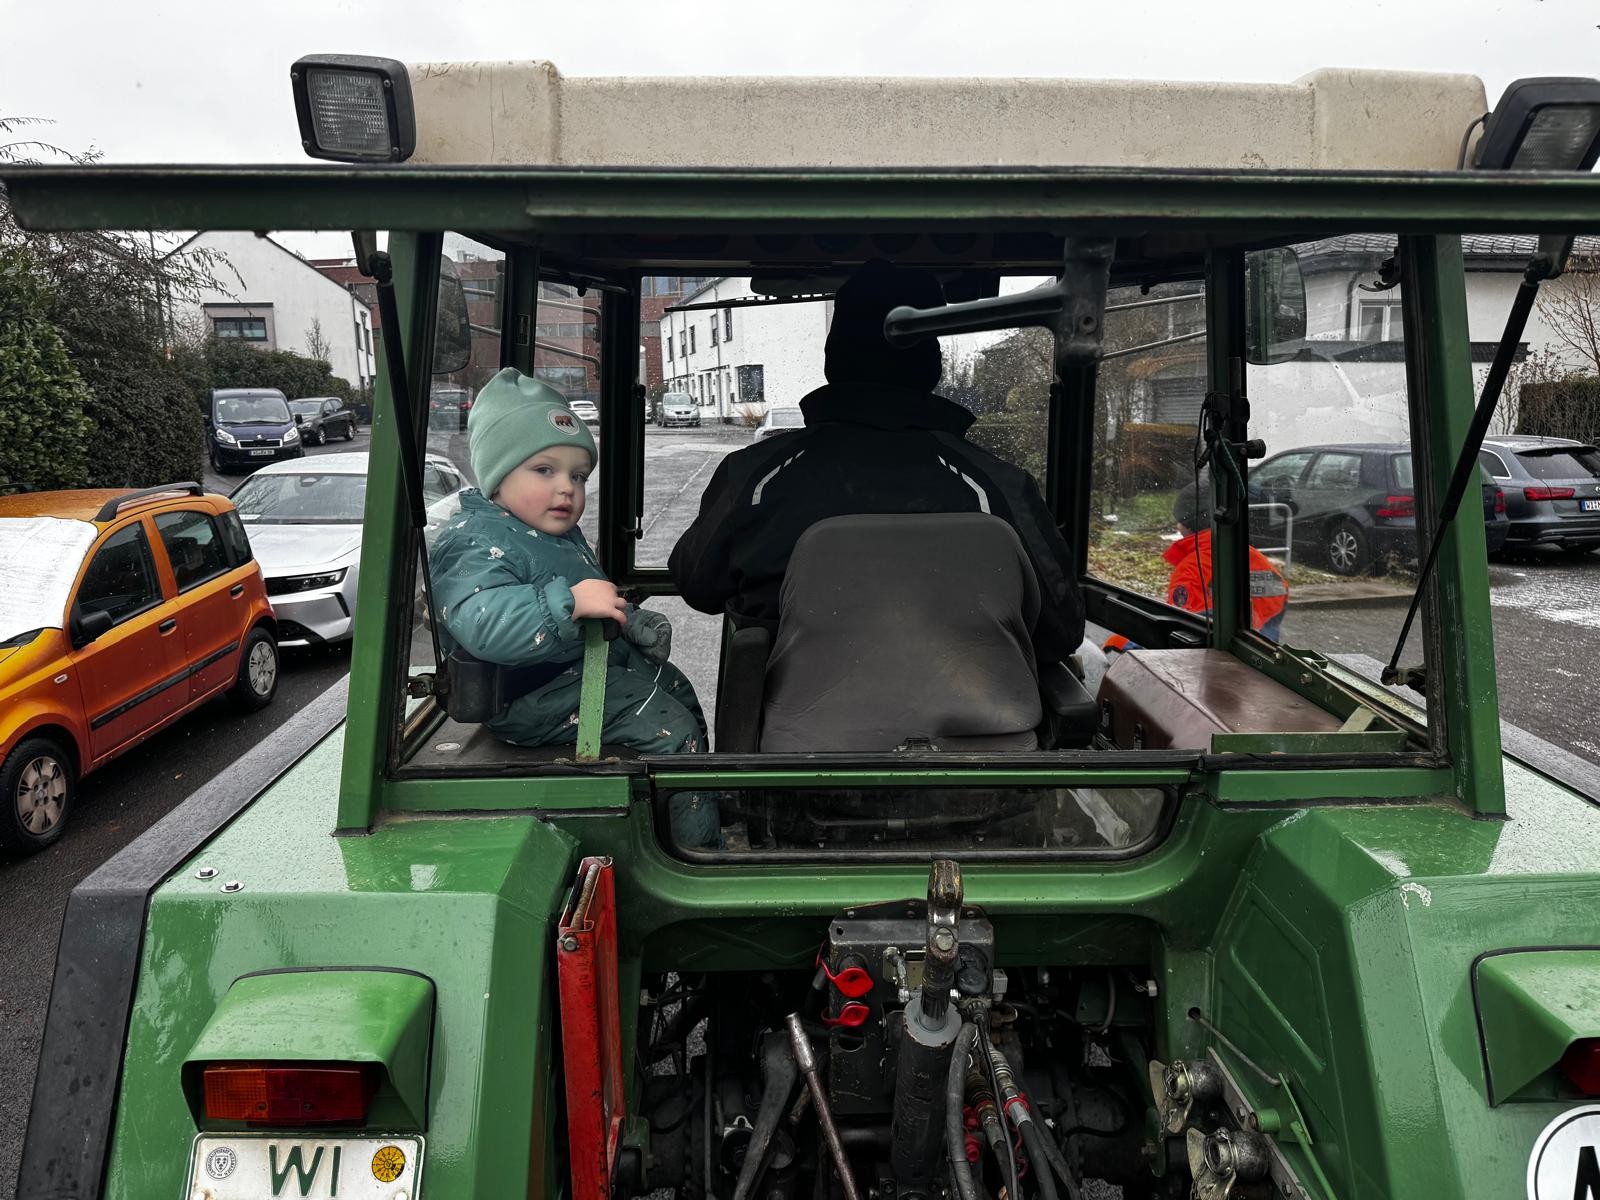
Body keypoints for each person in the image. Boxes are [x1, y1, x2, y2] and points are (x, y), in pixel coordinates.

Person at [668, 260, 1085, 665]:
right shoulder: (999, 488)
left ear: (831, 358)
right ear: (933, 364)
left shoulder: (754, 478)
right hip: (981, 713)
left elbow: (697, 585)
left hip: (789, 714)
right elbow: (1061, 630)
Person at [431, 367, 717, 842]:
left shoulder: (556, 534)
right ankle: (694, 850)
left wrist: (630, 619)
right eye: (545, 470)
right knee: (672, 728)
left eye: (578, 476)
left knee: (677, 688)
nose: (567, 487)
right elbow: (484, 624)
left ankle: (703, 802)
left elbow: (594, 593)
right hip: (530, 696)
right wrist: (567, 602)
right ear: (497, 475)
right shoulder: (472, 541)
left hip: (578, 670)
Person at [1165, 482, 1288, 640]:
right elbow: (1279, 591)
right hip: (1261, 639)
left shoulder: (1190, 569)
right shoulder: (1247, 553)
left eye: (1179, 520)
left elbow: (1179, 624)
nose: (1177, 526)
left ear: (1188, 525)